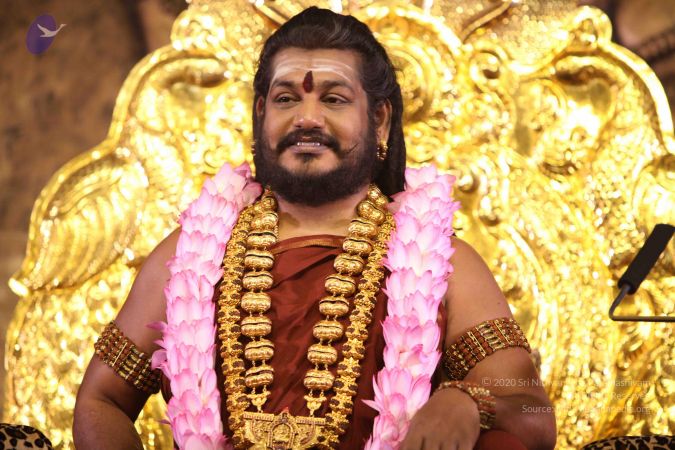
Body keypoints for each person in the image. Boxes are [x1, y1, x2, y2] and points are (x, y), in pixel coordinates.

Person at [73, 7, 556, 450]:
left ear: (380, 121)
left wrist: (469, 402)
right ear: (260, 114)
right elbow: (101, 400)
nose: (307, 118)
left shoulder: (444, 265)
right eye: (286, 99)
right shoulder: (188, 259)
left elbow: (532, 411)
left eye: (334, 99)